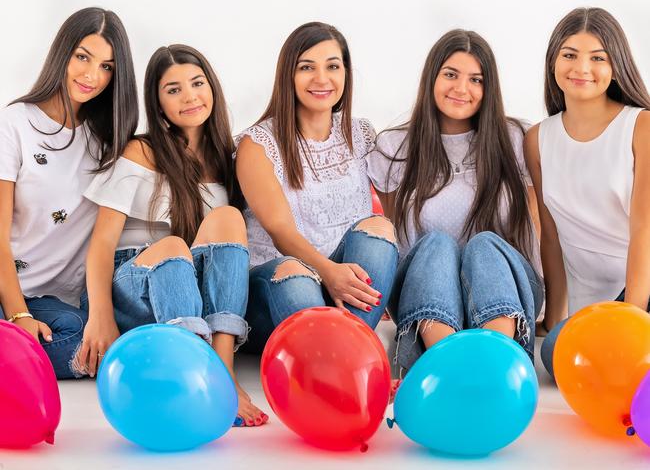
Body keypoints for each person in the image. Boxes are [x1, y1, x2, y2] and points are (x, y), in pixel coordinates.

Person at [81, 44, 266, 426]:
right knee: (171, 245)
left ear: (212, 87)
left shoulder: (227, 160)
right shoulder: (141, 152)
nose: (189, 96)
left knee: (229, 216)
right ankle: (192, 371)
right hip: (134, 284)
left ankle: (220, 370)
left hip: (192, 293)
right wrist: (100, 317)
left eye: (197, 83)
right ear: (158, 103)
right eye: (173, 89)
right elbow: (101, 243)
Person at [367, 29, 542, 373]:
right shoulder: (394, 146)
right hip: (426, 294)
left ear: (488, 88)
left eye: (475, 79)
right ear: (431, 77)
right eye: (450, 74)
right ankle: (444, 366)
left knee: (484, 245)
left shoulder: (516, 138)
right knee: (435, 244)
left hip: (506, 290)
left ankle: (498, 366)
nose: (461, 88)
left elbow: (539, 225)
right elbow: (395, 238)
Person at [236, 22, 399, 353]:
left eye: (333, 66)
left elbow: (394, 217)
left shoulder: (362, 133)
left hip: (342, 288)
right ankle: (350, 357)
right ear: (288, 76)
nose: (321, 78)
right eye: (307, 67)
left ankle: (341, 355)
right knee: (296, 274)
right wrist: (327, 271)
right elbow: (280, 231)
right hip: (278, 286)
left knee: (379, 226)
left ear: (346, 73)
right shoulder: (259, 144)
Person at [0, 7, 138, 378]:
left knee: (88, 338)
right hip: (8, 292)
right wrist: (19, 315)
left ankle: (14, 353)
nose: (92, 75)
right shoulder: (15, 123)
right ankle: (14, 345)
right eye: (83, 57)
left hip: (58, 307)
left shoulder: (110, 142)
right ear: (63, 52)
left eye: (107, 66)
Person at [524, 8, 650, 378]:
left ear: (616, 65)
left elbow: (644, 229)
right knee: (555, 355)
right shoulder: (538, 139)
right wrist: (554, 318)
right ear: (553, 63)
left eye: (598, 57)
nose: (582, 68)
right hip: (591, 304)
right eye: (569, 55)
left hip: (639, 292)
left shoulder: (640, 125)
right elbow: (551, 237)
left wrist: (631, 318)